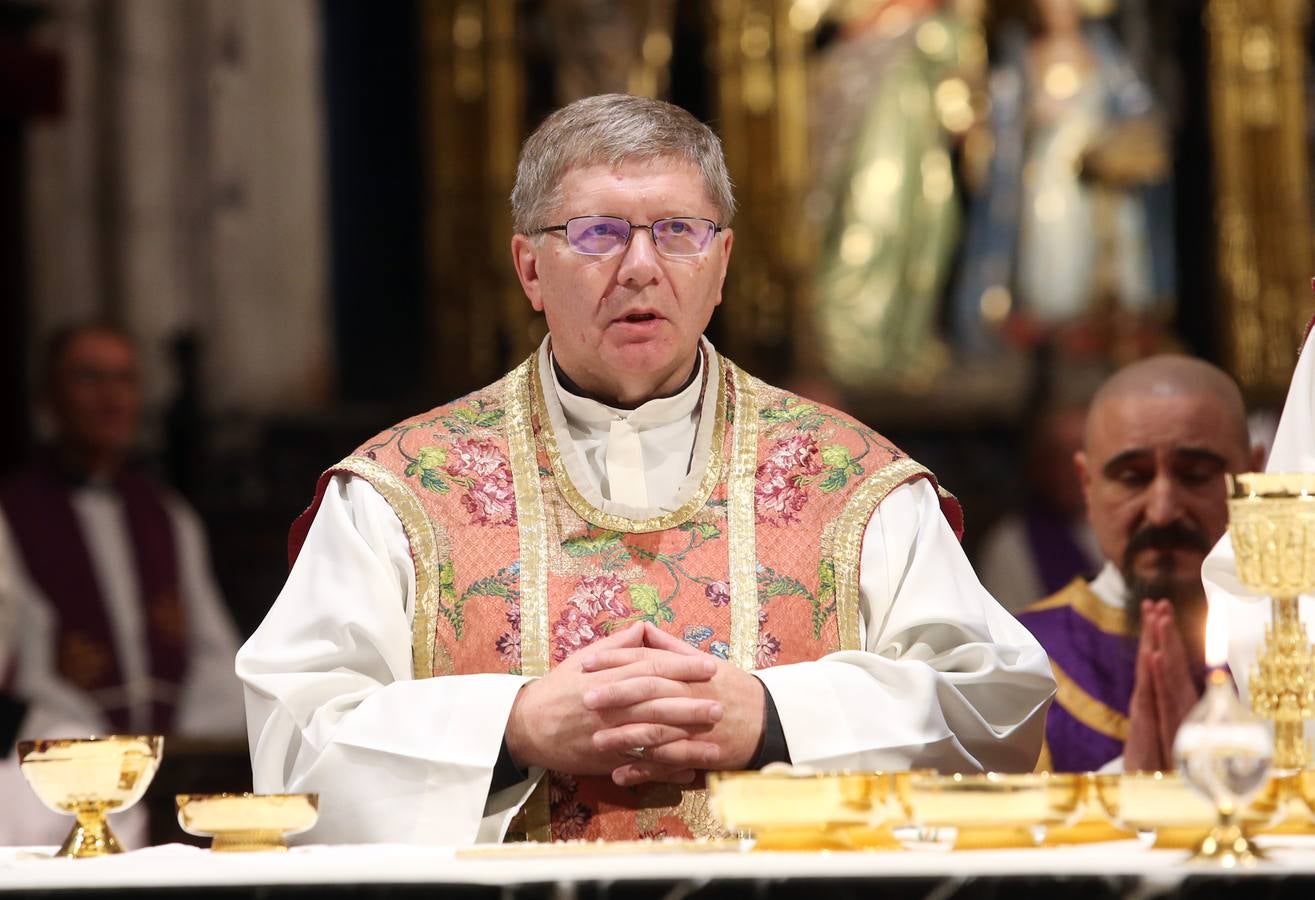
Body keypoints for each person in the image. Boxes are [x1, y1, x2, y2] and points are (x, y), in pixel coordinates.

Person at [238, 94, 1055, 846]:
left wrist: (774, 719)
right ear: (529, 269)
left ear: (722, 262)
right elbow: (292, 747)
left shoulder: (851, 483)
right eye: (597, 232)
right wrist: (510, 727)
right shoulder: (401, 492)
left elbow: (997, 709)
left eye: (677, 232)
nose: (639, 266)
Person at [0, 324, 244, 740]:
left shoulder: (168, 514)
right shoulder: (11, 514)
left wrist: (185, 737)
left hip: (172, 749)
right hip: (64, 748)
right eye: (89, 378)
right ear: (49, 398)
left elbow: (213, 649)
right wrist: (97, 741)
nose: (110, 399)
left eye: (124, 379)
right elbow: (21, 657)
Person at [1017, 356, 1261, 772]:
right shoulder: (1019, 659)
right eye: (1132, 477)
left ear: (1253, 474)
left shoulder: (1292, 642)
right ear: (1087, 485)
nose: (1163, 511)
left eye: (1196, 474)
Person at [976, 403, 1101, 612]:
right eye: (1058, 456)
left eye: (1083, 451)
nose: (1071, 468)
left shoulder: (1135, 528)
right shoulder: (1011, 543)